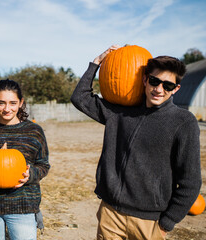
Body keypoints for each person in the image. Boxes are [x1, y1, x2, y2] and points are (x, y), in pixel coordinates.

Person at [71, 45, 201, 240]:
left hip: (149, 223)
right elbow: (79, 98)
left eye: (168, 85)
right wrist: (96, 63)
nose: (159, 89)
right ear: (145, 80)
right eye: (154, 81)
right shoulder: (119, 112)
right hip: (111, 214)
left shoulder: (183, 122)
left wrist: (167, 223)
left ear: (176, 89)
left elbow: (190, 181)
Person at [0, 79, 50, 240]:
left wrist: (30, 175)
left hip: (23, 206)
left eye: (13, 103)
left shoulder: (34, 131)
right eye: (1, 103)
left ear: (21, 103)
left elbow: (43, 164)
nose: (7, 109)